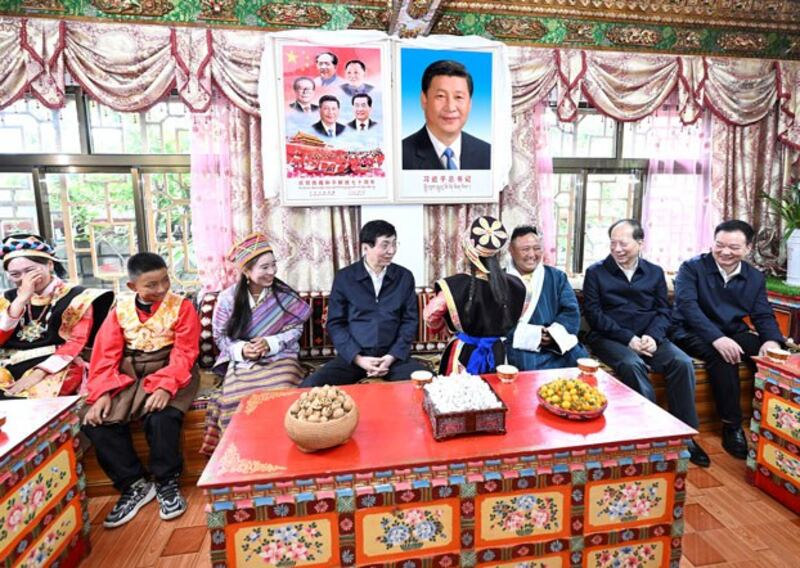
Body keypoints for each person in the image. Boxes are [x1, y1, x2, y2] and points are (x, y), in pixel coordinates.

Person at [82, 253, 200, 528]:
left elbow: (185, 353)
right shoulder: (118, 311)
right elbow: (104, 357)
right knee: (95, 421)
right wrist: (101, 394)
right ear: (133, 287)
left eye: (165, 281)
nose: (161, 289)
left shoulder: (182, 307)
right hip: (130, 372)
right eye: (152, 285)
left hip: (173, 368)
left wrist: (165, 387)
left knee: (162, 417)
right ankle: (134, 484)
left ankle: (166, 482)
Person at [583, 220, 708, 467]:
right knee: (631, 365)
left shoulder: (654, 272)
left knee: (682, 362)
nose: (617, 248)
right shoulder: (596, 272)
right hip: (611, 337)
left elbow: (664, 311)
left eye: (623, 243)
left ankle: (685, 436)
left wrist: (653, 336)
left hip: (650, 337)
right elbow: (595, 314)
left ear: (640, 243)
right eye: (613, 243)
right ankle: (652, 433)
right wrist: (628, 339)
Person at [669, 220, 783, 459]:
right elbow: (688, 308)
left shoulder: (754, 277)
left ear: (748, 249)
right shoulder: (692, 268)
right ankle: (732, 426)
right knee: (722, 355)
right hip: (689, 330)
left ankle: (776, 421)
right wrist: (717, 338)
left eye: (734, 247)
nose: (725, 252)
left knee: (772, 356)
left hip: (731, 332)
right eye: (719, 245)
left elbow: (762, 314)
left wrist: (771, 341)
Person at [200, 233, 311, 455]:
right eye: (264, 267)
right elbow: (221, 337)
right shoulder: (227, 298)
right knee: (235, 400)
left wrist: (270, 343)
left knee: (283, 390)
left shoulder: (285, 295)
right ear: (246, 271)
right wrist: (243, 349)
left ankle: (284, 452)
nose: (272, 272)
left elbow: (296, 329)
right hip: (242, 363)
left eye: (273, 265)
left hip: (280, 358)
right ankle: (244, 456)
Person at [301, 220, 426, 386]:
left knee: (431, 385)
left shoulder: (404, 277)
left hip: (393, 358)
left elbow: (410, 321)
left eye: (394, 244)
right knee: (309, 387)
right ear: (365, 247)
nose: (392, 250)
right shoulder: (345, 278)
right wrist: (358, 358)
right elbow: (335, 323)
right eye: (385, 245)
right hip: (354, 358)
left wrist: (391, 357)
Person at [0, 234, 113, 398]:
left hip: (57, 365)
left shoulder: (78, 297)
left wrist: (39, 373)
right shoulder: (7, 299)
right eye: (16, 275)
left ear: (50, 265)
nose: (24, 279)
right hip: (9, 364)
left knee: (31, 399)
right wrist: (20, 301)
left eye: (30, 271)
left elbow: (76, 342)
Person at [424, 216, 526, 375]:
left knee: (460, 396)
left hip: (464, 352)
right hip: (497, 351)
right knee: (495, 394)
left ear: (468, 251)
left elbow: (430, 316)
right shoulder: (516, 285)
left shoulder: (454, 286)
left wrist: (443, 326)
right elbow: (518, 316)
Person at [504, 226, 589, 370]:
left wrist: (552, 334)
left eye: (537, 248)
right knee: (527, 365)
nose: (532, 254)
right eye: (525, 249)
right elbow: (494, 321)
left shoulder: (556, 277)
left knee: (580, 359)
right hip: (521, 343)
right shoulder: (500, 280)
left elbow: (571, 311)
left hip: (557, 342)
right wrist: (534, 336)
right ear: (511, 251)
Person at [402, 59, 490, 170]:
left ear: (470, 103)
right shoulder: (400, 155)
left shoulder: (487, 153)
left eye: (458, 97)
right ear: (424, 100)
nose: (450, 107)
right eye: (440, 96)